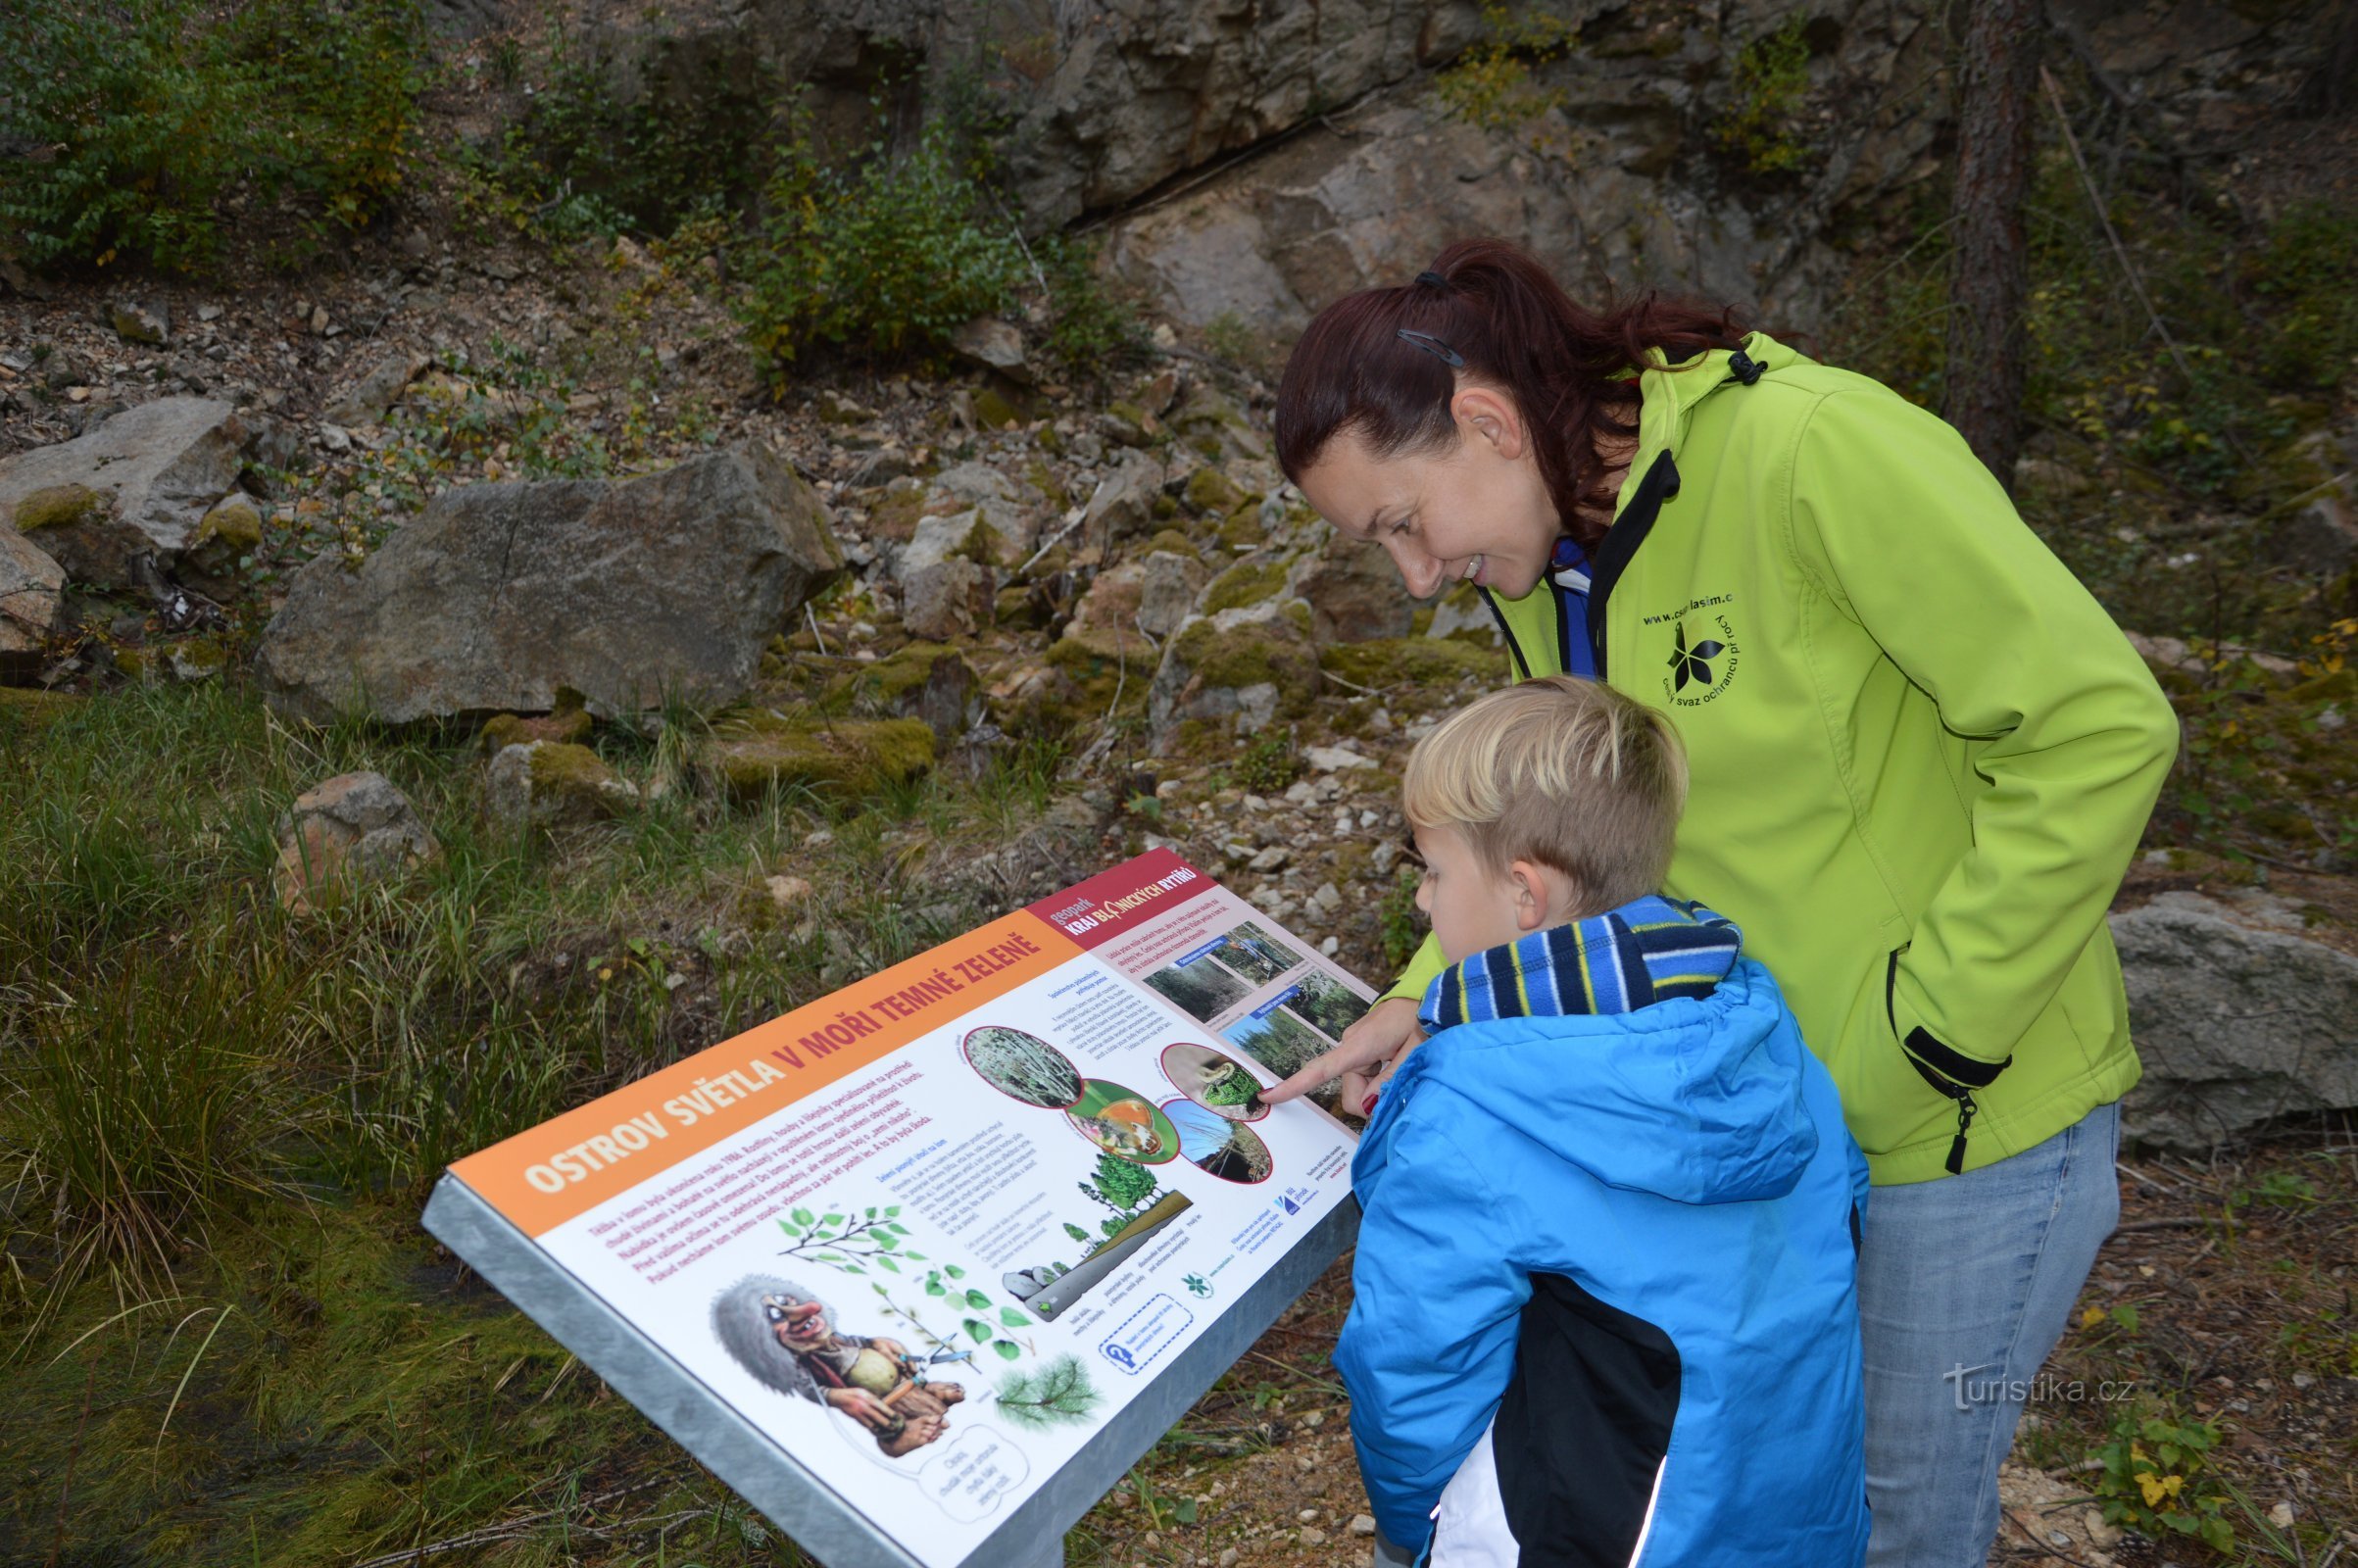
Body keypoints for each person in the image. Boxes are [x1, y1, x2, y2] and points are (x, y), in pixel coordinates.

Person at [1259, 237, 2180, 1567]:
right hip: (1771, 1138)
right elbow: (1566, 845)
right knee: (1780, 1515)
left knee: (1900, 1526)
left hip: (1958, 1137)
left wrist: (1923, 1041)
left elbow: (2097, 727)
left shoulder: (1814, 452)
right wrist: (1421, 995)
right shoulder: (1555, 563)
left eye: (1402, 522)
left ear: (1485, 422)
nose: (1413, 576)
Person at [1337, 674, 1869, 1566]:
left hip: (1589, 1532)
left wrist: (1409, 1530)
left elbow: (1413, 1364)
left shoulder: (1469, 1104)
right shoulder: (1760, 1025)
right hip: (1783, 1509)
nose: (1424, 903)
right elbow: (1845, 1211)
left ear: (1523, 896)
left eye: (1433, 872)